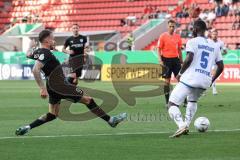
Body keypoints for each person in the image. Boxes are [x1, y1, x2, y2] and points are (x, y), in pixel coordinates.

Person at [15, 29, 127, 136]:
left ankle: (27, 127)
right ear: (47, 41)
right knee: (88, 100)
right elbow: (35, 69)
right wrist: (41, 88)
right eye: (52, 39)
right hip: (60, 85)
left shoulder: (40, 51)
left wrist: (30, 46)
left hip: (52, 86)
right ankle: (111, 120)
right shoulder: (46, 53)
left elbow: (28, 54)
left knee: (52, 114)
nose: (54, 41)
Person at [167, 19, 224, 138]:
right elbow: (221, 66)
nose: (192, 30)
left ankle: (182, 125)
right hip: (204, 81)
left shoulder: (192, 41)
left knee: (172, 103)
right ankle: (186, 125)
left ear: (196, 29)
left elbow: (189, 58)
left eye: (193, 28)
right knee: (192, 101)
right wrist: (211, 80)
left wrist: (180, 73)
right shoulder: (214, 45)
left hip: (191, 78)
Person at [157, 19, 183, 107]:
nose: (172, 28)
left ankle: (184, 100)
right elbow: (159, 49)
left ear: (175, 27)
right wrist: (160, 60)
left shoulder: (178, 37)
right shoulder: (163, 36)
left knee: (181, 80)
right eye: (170, 26)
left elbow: (179, 49)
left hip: (176, 60)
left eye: (173, 26)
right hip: (166, 60)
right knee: (167, 82)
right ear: (167, 27)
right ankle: (167, 102)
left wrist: (181, 61)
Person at [209, 28, 227, 95]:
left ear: (217, 35)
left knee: (213, 74)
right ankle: (204, 89)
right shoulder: (208, 41)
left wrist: (220, 55)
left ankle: (214, 89)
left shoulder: (220, 43)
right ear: (211, 34)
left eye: (216, 34)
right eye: (213, 34)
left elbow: (225, 51)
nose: (215, 35)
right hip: (209, 61)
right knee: (209, 75)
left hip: (216, 62)